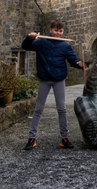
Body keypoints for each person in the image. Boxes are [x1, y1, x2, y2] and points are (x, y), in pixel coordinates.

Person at [22, 20, 83, 150]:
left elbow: (73, 60)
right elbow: (25, 46)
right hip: (44, 79)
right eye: (55, 30)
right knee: (38, 108)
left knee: (62, 108)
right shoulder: (41, 42)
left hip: (59, 79)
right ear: (50, 30)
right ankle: (31, 138)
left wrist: (79, 63)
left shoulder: (65, 46)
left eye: (60, 31)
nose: (58, 33)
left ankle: (65, 138)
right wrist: (29, 37)